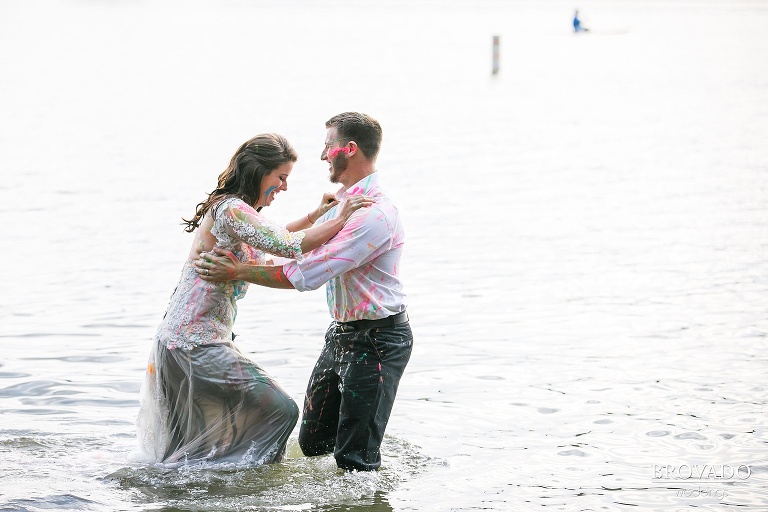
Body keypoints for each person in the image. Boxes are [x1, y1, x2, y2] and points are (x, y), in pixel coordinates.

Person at [134, 133, 373, 466]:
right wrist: (343, 217)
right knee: (282, 409)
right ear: (258, 171)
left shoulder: (232, 208)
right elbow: (288, 245)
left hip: (184, 342)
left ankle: (205, 489)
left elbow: (270, 239)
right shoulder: (232, 209)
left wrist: (317, 215)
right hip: (193, 344)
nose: (284, 186)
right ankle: (246, 480)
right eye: (281, 177)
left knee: (188, 446)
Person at [194, 112, 413, 472]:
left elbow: (305, 273)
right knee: (313, 445)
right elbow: (290, 244)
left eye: (328, 145)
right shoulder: (346, 203)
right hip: (342, 335)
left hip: (379, 339)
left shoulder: (373, 213)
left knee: (355, 463)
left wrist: (238, 271)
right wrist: (317, 216)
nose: (324, 154)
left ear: (350, 149)